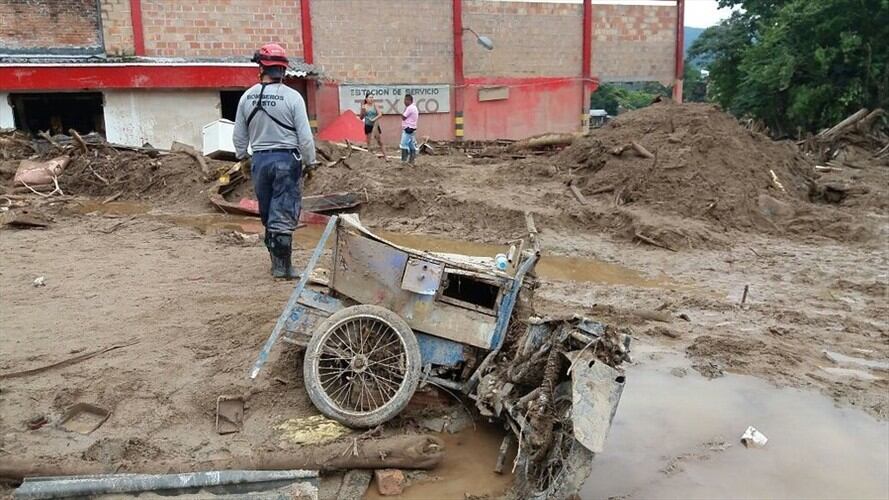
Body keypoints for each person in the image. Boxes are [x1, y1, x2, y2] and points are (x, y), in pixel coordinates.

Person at [233, 43, 315, 280]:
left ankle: (275, 262)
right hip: (287, 160)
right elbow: (305, 137)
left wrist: (243, 158)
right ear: (283, 69)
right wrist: (310, 163)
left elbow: (239, 136)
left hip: (260, 160)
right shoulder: (293, 97)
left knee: (268, 212)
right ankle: (283, 268)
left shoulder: (247, 97)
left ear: (262, 68)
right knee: (284, 212)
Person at [360, 93, 388, 161]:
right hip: (368, 125)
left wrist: (373, 119)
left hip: (375, 125)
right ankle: (370, 158)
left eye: (372, 97)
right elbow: (361, 117)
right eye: (370, 97)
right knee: (369, 142)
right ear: (366, 99)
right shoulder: (364, 106)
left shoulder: (375, 105)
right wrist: (363, 111)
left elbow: (380, 114)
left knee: (380, 141)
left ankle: (386, 157)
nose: (371, 99)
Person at [399, 94, 419, 165]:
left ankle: (404, 161)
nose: (404, 102)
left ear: (409, 100)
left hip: (408, 128)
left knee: (403, 144)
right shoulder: (414, 107)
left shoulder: (410, 108)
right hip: (412, 128)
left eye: (405, 100)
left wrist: (402, 114)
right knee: (411, 145)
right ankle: (412, 161)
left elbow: (404, 117)